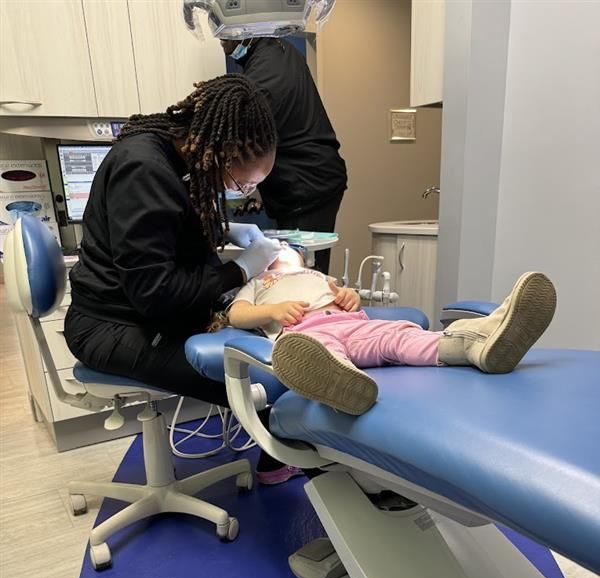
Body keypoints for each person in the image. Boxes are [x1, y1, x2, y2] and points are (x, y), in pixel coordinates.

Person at [64, 74, 297, 483]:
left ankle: (276, 454)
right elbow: (154, 295)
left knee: (272, 355)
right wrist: (240, 269)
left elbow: (169, 227)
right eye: (243, 182)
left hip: (140, 313)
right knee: (266, 378)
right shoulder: (144, 168)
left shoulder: (179, 157)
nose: (241, 191)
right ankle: (280, 460)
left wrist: (225, 231)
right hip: (110, 326)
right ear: (218, 152)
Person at [226, 247, 557, 415]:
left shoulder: (318, 278)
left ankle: (477, 343)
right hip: (305, 332)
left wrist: (349, 295)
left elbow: (350, 299)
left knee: (401, 333)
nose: (283, 257)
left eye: (289, 254)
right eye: (276, 254)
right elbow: (236, 314)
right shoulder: (258, 283)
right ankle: (343, 382)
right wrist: (271, 311)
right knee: (318, 351)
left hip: (355, 324)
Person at [221, 37, 347, 274]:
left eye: (225, 34)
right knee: (295, 273)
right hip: (314, 178)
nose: (221, 40)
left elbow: (241, 132)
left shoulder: (266, 72)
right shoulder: (277, 50)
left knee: (296, 275)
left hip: (307, 187)